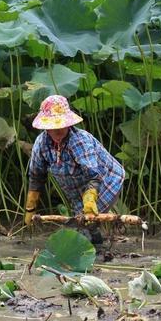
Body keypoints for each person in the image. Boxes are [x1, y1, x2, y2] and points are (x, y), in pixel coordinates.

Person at [24, 95, 124, 244]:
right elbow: (37, 176)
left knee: (82, 227)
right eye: (53, 126)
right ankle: (98, 246)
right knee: (85, 225)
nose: (57, 130)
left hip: (106, 181)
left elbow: (93, 176)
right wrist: (31, 207)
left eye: (61, 125)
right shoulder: (41, 144)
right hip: (77, 190)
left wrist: (90, 201)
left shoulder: (79, 141)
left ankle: (95, 252)